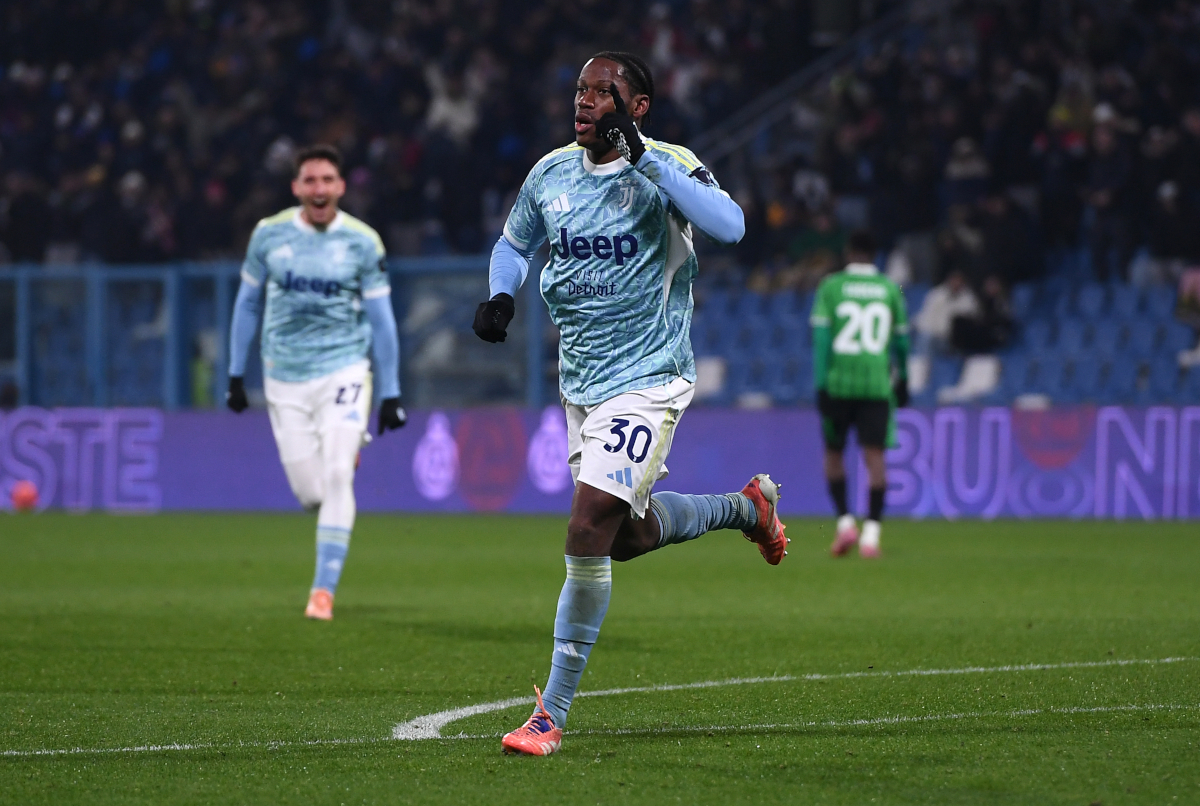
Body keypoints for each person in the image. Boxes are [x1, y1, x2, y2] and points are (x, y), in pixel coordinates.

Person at [472, 52, 788, 756]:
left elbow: (731, 226)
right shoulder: (551, 173)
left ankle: (548, 716)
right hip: (581, 385)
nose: (584, 102)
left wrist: (644, 159)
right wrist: (502, 294)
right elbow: (513, 243)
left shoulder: (669, 163)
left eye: (601, 92)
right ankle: (746, 508)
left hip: (649, 378)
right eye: (579, 90)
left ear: (637, 106)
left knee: (586, 528)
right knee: (627, 536)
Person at [225, 144, 407, 621]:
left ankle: (321, 593)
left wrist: (389, 391)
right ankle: (345, 455)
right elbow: (247, 305)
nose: (320, 189)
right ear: (296, 188)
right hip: (283, 376)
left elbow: (382, 321)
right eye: (311, 181)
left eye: (328, 180)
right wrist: (234, 373)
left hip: (344, 369)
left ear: (341, 187)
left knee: (336, 475)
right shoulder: (269, 235)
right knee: (311, 493)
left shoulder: (363, 242)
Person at [811, 230, 909, 558]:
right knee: (875, 459)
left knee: (834, 456)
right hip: (877, 387)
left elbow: (822, 342)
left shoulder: (831, 287)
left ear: (849, 252)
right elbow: (902, 342)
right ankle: (871, 537)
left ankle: (844, 524)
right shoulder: (888, 289)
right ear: (875, 254)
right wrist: (904, 378)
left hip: (839, 385)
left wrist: (821, 384)